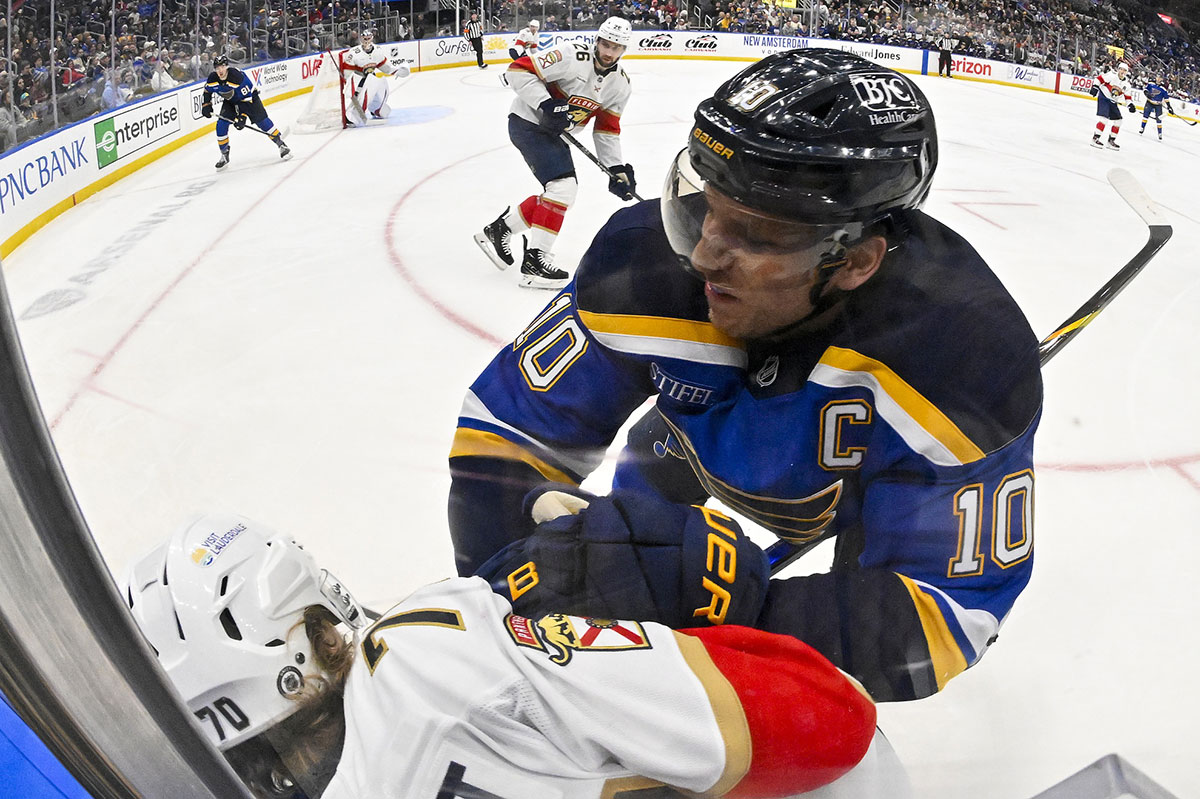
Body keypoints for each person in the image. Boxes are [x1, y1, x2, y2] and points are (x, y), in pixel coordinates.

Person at [449, 49, 1043, 704]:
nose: (703, 254)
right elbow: (499, 444)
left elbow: (945, 617)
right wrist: (506, 607)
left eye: (755, 232)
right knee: (639, 517)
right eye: (705, 202)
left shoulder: (967, 359)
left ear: (855, 260)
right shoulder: (641, 263)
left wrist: (733, 612)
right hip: (680, 447)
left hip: (850, 488)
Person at [122, 512, 905, 798]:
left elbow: (828, 725)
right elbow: (832, 720)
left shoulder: (427, 664)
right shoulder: (425, 656)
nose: (265, 779)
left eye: (263, 758)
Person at [472, 16, 636, 290]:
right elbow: (518, 70)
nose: (609, 52)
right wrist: (546, 104)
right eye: (605, 44)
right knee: (562, 189)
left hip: (554, 134)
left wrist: (616, 168)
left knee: (560, 195)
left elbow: (607, 129)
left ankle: (501, 230)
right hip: (527, 123)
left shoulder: (620, 85)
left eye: (616, 47)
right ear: (597, 40)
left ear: (624, 50)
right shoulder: (571, 54)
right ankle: (535, 262)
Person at [202, 54, 291, 169]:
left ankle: (281, 144)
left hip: (249, 99)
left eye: (222, 67)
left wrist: (242, 116)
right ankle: (224, 154)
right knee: (221, 125)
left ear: (227, 66)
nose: (220, 70)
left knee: (262, 122)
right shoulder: (213, 79)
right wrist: (206, 104)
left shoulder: (236, 77)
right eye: (217, 68)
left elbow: (246, 100)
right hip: (231, 101)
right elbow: (207, 91)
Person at [341, 29, 409, 125]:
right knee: (363, 94)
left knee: (381, 84)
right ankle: (351, 116)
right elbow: (347, 73)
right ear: (361, 39)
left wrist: (397, 71)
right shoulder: (353, 53)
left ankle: (376, 109)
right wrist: (350, 85)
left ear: (372, 38)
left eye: (368, 38)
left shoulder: (377, 50)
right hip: (358, 80)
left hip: (371, 78)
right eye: (364, 38)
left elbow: (385, 67)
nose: (366, 41)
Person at [1090, 61, 1134, 150]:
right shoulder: (1111, 75)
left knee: (1118, 121)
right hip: (1104, 97)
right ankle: (1095, 139)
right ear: (1118, 70)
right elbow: (1098, 79)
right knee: (1104, 119)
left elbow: (1128, 97)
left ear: (1126, 72)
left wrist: (1130, 105)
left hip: (1113, 101)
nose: (1122, 71)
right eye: (1121, 69)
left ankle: (1111, 141)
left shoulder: (1127, 85)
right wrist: (1095, 87)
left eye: (1124, 70)